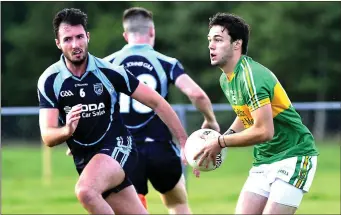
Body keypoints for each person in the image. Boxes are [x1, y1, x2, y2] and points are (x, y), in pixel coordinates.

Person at [37, 8, 188, 215]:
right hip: (86, 159)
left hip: (118, 146)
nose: (75, 44)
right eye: (68, 39)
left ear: (87, 37)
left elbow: (157, 102)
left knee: (86, 191)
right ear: (58, 43)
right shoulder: (50, 80)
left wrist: (183, 141)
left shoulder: (109, 71)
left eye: (80, 37)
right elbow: (48, 135)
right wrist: (67, 130)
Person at [193, 12, 319, 214]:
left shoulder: (252, 76)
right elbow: (247, 116)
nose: (211, 45)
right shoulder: (226, 79)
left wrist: (220, 143)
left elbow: (264, 131)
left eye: (218, 39)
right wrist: (215, 144)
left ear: (237, 44)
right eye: (209, 40)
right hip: (264, 159)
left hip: (294, 155)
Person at [103, 7, 220, 214]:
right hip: (162, 150)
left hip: (125, 153)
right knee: (177, 204)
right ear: (152, 32)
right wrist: (210, 120)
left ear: (125, 35)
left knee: (133, 207)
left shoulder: (108, 64)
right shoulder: (167, 62)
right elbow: (197, 94)